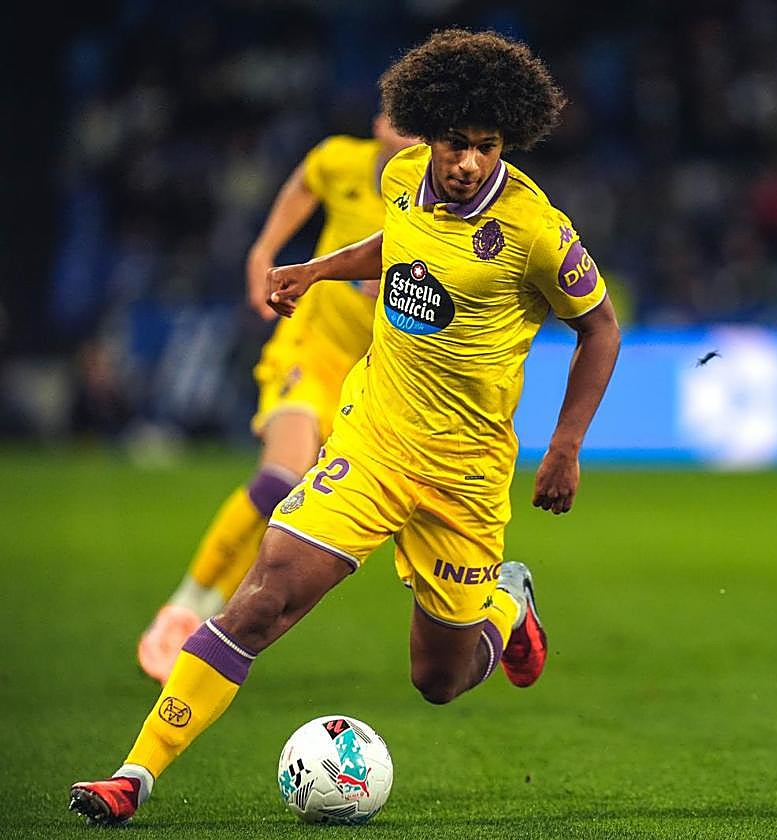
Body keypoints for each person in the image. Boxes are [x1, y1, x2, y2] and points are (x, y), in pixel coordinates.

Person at [70, 29, 621, 825]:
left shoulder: (537, 231)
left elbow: (600, 326)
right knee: (262, 602)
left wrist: (565, 446)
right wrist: (320, 267)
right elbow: (396, 244)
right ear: (427, 135)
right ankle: (134, 776)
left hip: (465, 477)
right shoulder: (401, 176)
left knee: (440, 679)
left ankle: (506, 605)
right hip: (373, 444)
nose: (468, 162)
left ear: (509, 142)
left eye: (487, 147)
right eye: (455, 144)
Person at [135, 114, 420, 684]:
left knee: (300, 510)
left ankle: (214, 620)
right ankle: (182, 609)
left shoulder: (434, 201)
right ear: (378, 124)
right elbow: (302, 186)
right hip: (307, 350)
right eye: (397, 120)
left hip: (373, 378)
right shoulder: (340, 158)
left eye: (419, 126)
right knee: (277, 481)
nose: (405, 133)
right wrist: (264, 248)